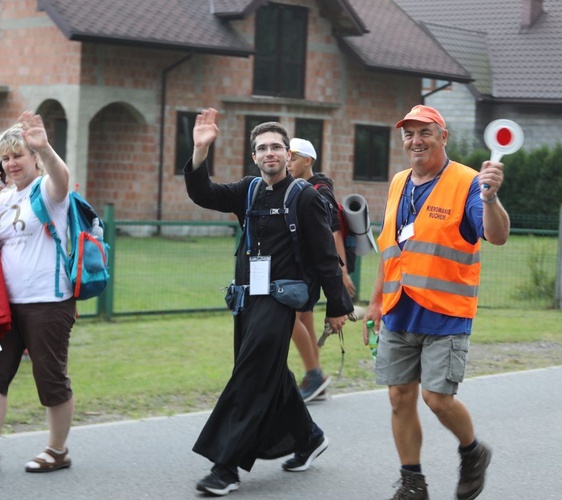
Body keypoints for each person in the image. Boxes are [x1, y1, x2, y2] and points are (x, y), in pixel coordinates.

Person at [185, 108, 352, 496]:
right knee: (268, 373)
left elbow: (326, 256)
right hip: (246, 299)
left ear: (288, 154)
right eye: (262, 148)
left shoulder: (304, 196)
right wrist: (199, 151)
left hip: (280, 302)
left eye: (277, 146)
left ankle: (224, 467)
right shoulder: (247, 190)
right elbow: (202, 193)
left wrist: (337, 305)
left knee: (249, 376)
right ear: (254, 156)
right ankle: (308, 437)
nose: (270, 153)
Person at [364, 105, 509, 500]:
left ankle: (472, 451)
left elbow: (496, 236)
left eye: (425, 132)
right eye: (409, 134)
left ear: (443, 136)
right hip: (398, 308)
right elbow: (390, 248)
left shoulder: (468, 182)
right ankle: (413, 482)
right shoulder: (398, 182)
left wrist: (492, 199)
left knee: (437, 399)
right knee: (399, 398)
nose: (416, 141)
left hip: (446, 313)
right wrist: (376, 302)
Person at [0, 111, 76, 475]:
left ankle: (57, 450)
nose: (11, 164)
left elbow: (62, 179)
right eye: (5, 157)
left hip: (48, 302)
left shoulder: (47, 191)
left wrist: (45, 147)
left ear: (33, 158)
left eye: (18, 155)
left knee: (50, 377)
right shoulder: (3, 197)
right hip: (3, 305)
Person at [286, 138, 356, 402]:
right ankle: (315, 378)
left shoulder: (320, 191)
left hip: (311, 270)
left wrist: (343, 275)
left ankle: (314, 374)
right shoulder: (299, 187)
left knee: (289, 316)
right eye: (288, 156)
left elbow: (333, 235)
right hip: (304, 268)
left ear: (308, 161)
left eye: (294, 157)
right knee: (303, 319)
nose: (288, 161)